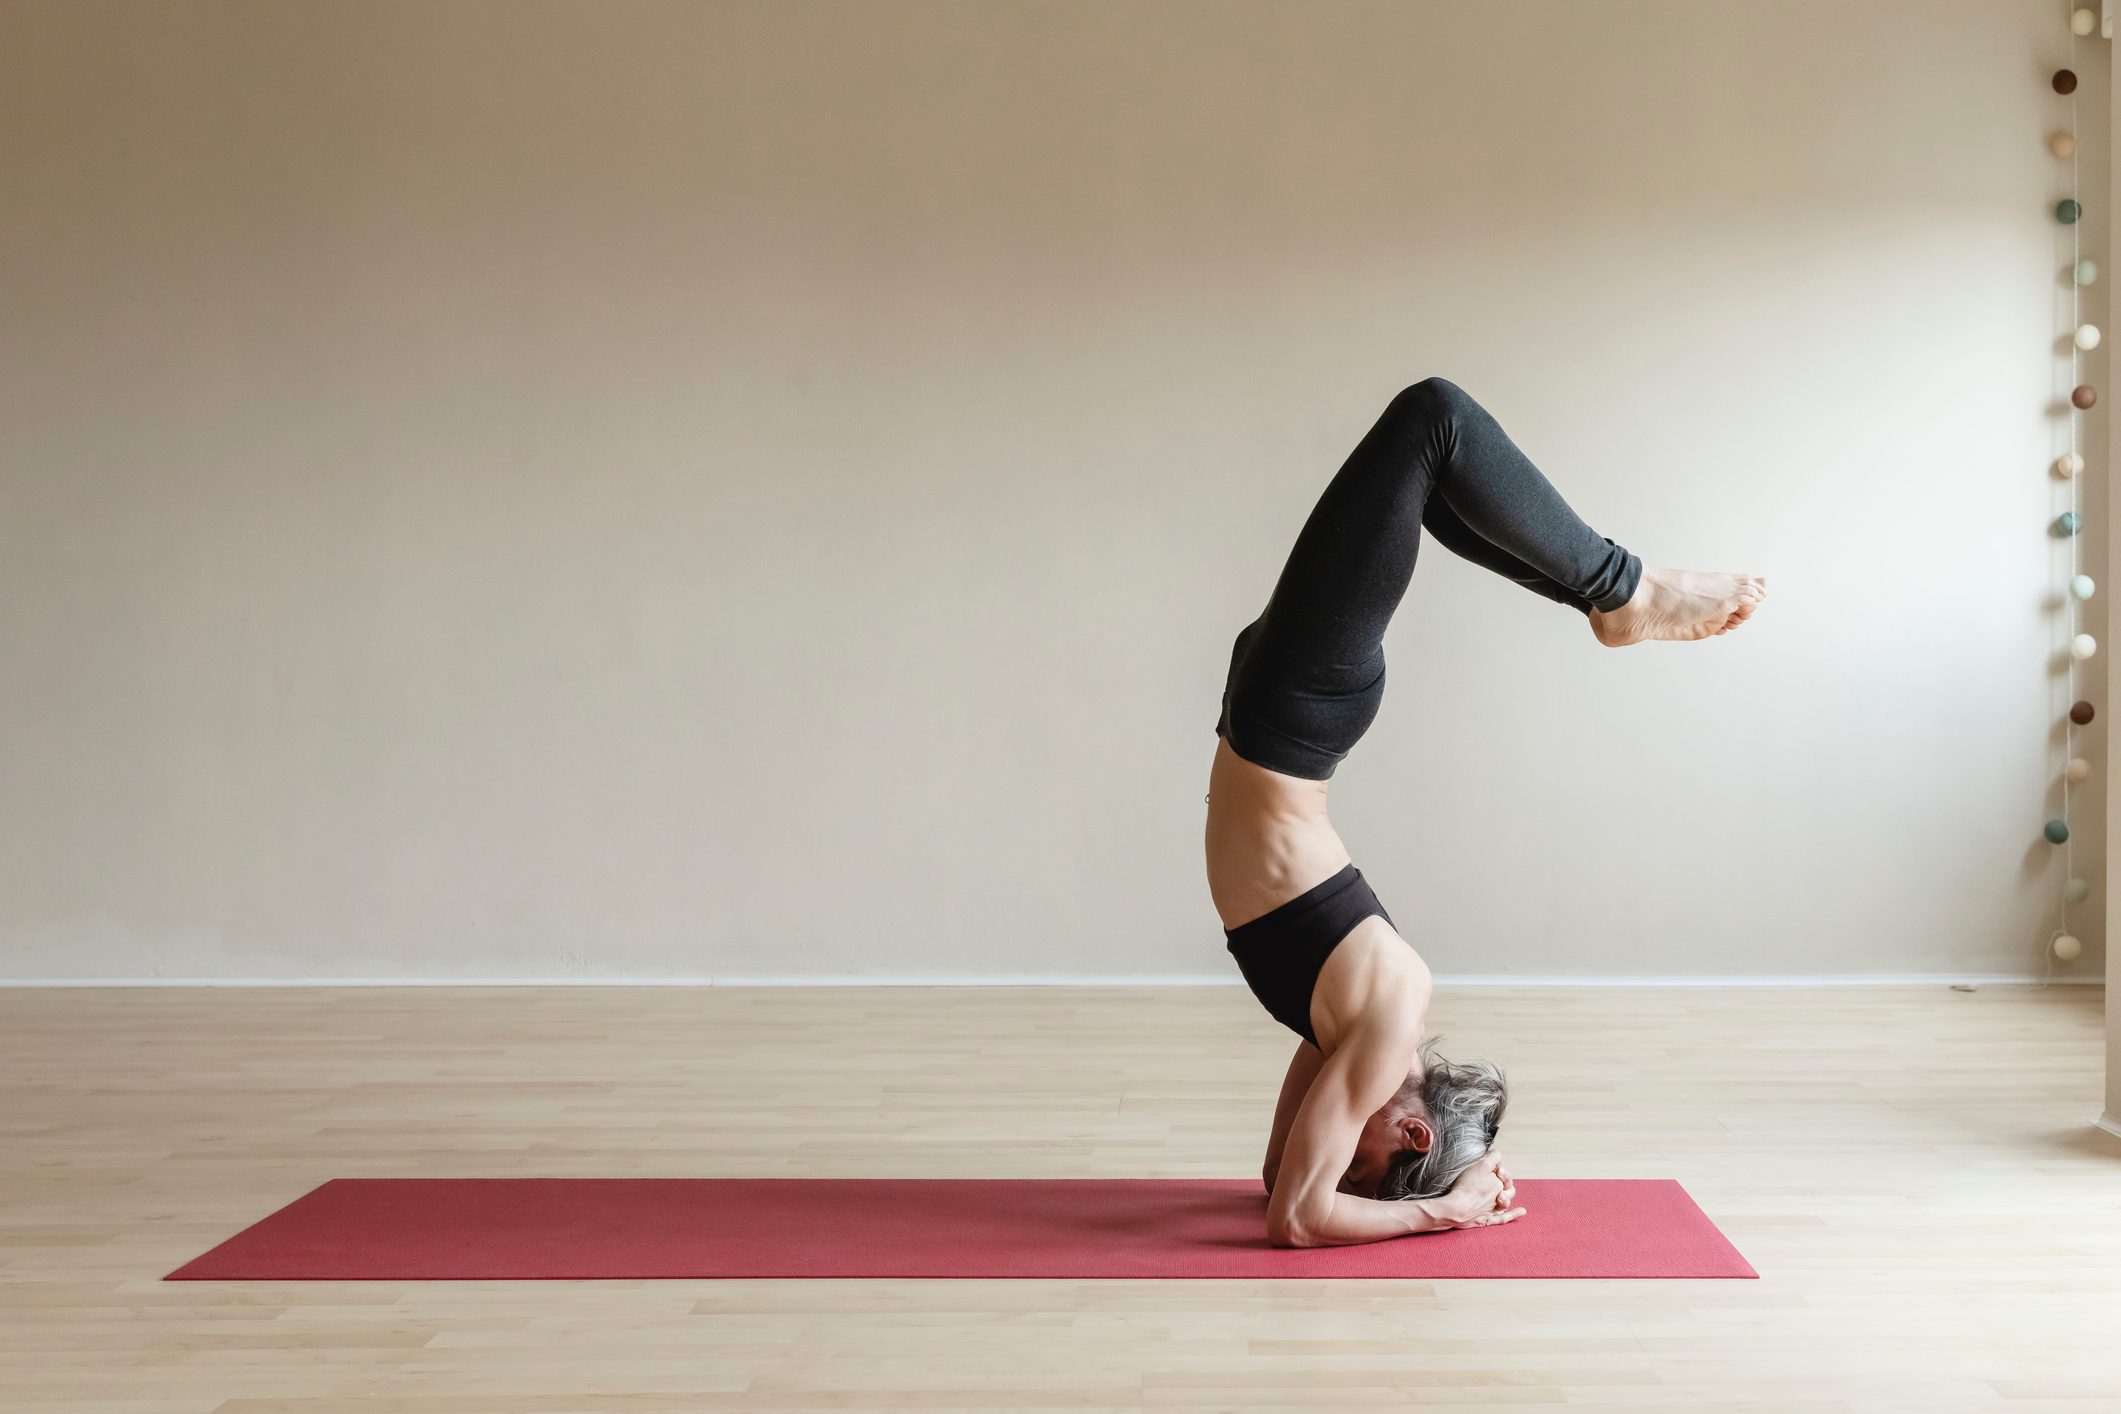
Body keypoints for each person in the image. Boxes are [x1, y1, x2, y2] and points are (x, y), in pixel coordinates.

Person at [1204, 376, 1764, 1249]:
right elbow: (1302, 1217)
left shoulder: (1352, 1036)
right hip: (1293, 713)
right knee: (1432, 420)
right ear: (1410, 1133)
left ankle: (1613, 598)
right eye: (1362, 1162)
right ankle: (1620, 593)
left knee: (1429, 453)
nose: (1338, 1153)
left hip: (1272, 714)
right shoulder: (1384, 1025)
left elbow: (1282, 1190)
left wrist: (1437, 1194)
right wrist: (1444, 1207)